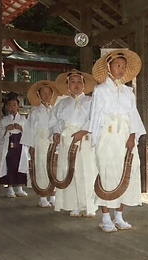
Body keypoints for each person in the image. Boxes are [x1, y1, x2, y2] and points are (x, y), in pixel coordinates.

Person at [90, 49, 146, 232]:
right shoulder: (99, 91)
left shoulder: (129, 92)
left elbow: (133, 115)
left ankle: (119, 216)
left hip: (125, 136)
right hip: (107, 135)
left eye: (123, 66)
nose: (121, 69)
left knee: (126, 172)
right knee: (107, 173)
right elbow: (95, 116)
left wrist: (132, 136)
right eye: (117, 65)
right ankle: (106, 216)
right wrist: (96, 141)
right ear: (108, 67)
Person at [48, 69, 98, 217]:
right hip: (67, 139)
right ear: (67, 85)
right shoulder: (61, 103)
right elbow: (54, 121)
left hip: (85, 139)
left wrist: (83, 131)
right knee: (70, 170)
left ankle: (89, 206)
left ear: (84, 84)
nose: (76, 85)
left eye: (79, 82)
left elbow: (95, 119)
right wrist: (56, 132)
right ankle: (74, 204)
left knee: (87, 171)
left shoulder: (91, 101)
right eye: (72, 82)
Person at [20, 80, 60, 207]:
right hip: (40, 142)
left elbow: (57, 126)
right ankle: (43, 196)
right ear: (39, 95)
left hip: (52, 142)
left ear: (52, 95)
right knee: (41, 167)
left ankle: (53, 195)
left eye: (49, 93)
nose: (47, 95)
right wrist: (31, 145)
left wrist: (57, 136)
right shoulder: (35, 111)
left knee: (54, 168)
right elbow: (30, 128)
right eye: (44, 93)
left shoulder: (55, 110)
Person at [0, 92, 28, 198]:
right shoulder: (4, 120)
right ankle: (10, 188)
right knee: (9, 165)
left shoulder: (23, 119)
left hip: (20, 143)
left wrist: (21, 128)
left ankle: (20, 187)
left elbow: (29, 131)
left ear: (18, 106)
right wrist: (6, 129)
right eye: (10, 105)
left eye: (14, 105)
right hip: (8, 143)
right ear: (6, 107)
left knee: (20, 164)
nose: (12, 107)